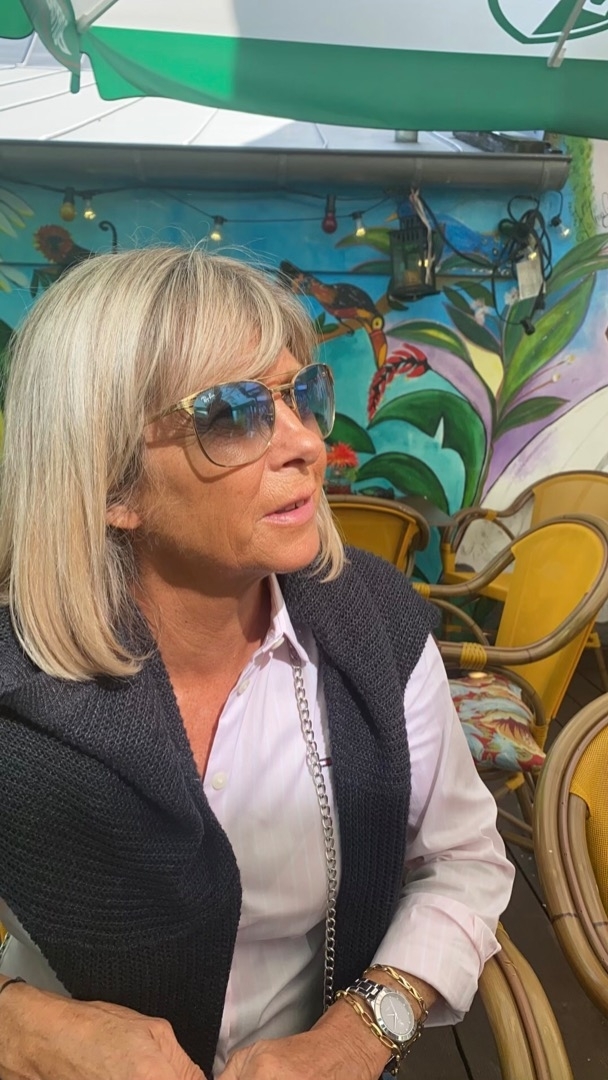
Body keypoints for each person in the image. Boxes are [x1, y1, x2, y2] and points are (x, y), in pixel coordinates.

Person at [0, 247, 513, 1080]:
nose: (308, 442)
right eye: (233, 414)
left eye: (302, 395)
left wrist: (360, 1033)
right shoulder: (13, 673)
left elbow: (463, 860)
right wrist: (20, 1028)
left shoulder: (375, 624)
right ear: (110, 485)